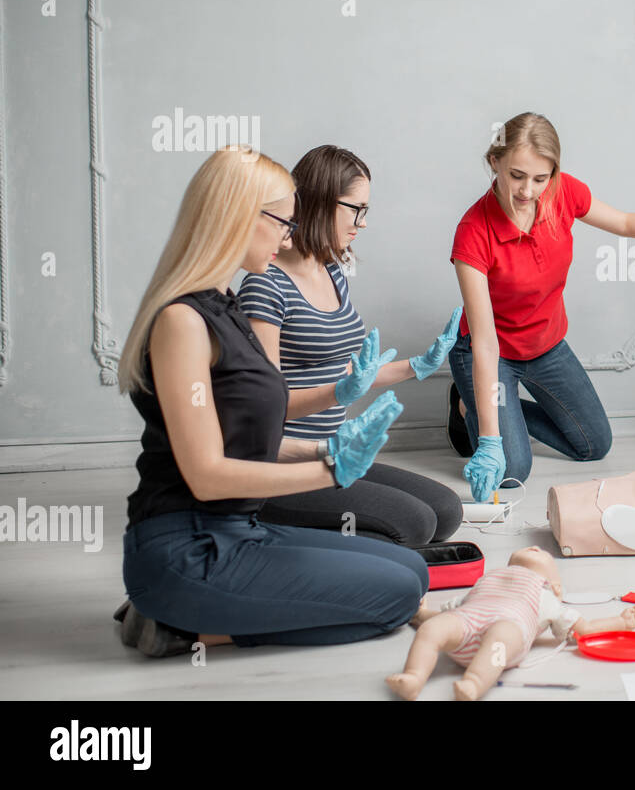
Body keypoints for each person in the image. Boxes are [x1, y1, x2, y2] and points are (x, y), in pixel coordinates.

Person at [114, 146, 425, 658]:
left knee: (413, 571)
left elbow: (244, 437)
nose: (289, 234)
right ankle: (178, 627)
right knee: (395, 597)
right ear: (240, 217)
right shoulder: (182, 323)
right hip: (189, 550)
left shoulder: (228, 308)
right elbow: (208, 474)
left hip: (243, 528)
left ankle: (186, 622)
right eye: (284, 220)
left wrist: (326, 448)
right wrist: (331, 472)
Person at [448, 111, 635, 501]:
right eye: (517, 175)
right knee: (513, 471)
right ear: (494, 162)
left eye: (540, 178)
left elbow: (621, 222)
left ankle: (480, 406)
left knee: (593, 445)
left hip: (545, 346)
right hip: (491, 353)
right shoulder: (473, 232)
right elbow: (485, 342)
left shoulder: (562, 193)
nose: (528, 190)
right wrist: (489, 441)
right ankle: (472, 409)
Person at [238, 145, 463, 546]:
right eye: (354, 208)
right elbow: (264, 405)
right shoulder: (265, 286)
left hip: (332, 452)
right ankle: (278, 532)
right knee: (415, 524)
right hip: (279, 466)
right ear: (320, 202)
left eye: (366, 211)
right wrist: (339, 393)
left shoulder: (332, 272)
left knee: (446, 511)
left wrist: (418, 365)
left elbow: (348, 377)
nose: (362, 223)